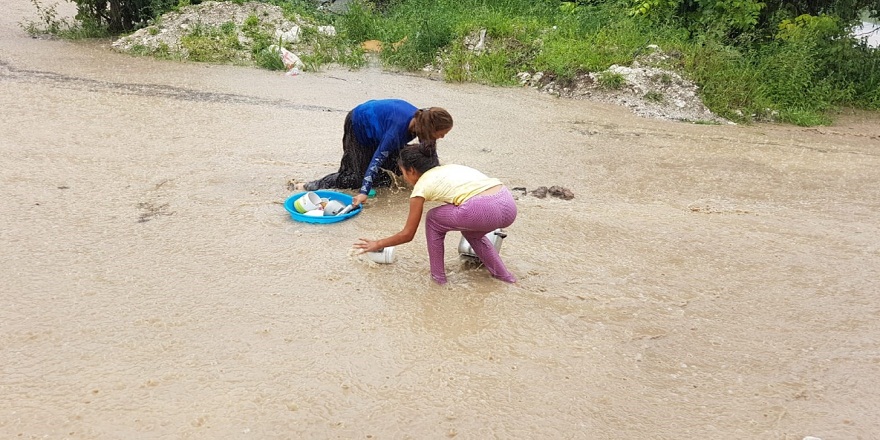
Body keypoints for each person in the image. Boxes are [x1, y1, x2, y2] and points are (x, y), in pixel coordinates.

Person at [354, 141, 517, 285]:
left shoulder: (421, 187)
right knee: (472, 233)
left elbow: (407, 234)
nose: (403, 178)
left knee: (433, 219)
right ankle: (505, 277)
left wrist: (378, 244)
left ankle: (438, 279)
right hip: (507, 204)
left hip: (483, 208)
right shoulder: (449, 169)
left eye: (402, 172)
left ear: (411, 171)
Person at [297, 99, 453, 207]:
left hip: (381, 126)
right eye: (442, 133)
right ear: (430, 129)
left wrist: (438, 186)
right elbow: (377, 160)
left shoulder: (423, 124)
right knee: (355, 179)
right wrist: (363, 192)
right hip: (359, 125)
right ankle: (311, 185)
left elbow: (429, 160)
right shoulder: (396, 132)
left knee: (386, 178)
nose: (443, 137)